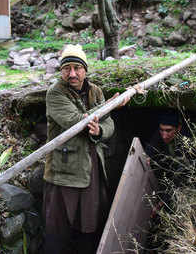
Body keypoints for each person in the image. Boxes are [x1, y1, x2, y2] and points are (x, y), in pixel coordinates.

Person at [43, 44, 129, 254]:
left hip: (91, 167)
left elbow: (109, 125)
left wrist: (99, 131)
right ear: (61, 71)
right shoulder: (55, 93)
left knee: (89, 223)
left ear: (85, 70)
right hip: (63, 170)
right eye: (67, 68)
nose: (72, 74)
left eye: (77, 68)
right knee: (58, 227)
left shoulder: (95, 91)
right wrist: (109, 106)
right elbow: (75, 121)